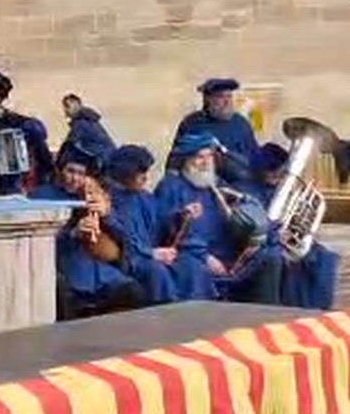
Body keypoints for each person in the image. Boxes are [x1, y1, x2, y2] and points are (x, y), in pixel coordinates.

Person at [155, 133, 287, 305]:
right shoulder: (171, 187)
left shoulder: (217, 185)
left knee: (272, 255)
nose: (205, 162)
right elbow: (169, 229)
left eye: (209, 156)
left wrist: (269, 234)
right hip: (196, 256)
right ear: (185, 160)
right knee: (193, 268)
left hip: (231, 254)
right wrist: (205, 257)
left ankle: (266, 314)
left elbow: (246, 217)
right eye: (199, 157)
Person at [29, 147, 142, 317]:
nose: (75, 178)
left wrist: (107, 215)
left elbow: (123, 238)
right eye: (70, 171)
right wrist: (73, 233)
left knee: (132, 290)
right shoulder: (42, 196)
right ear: (59, 171)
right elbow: (37, 239)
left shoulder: (94, 194)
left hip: (96, 266)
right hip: (63, 264)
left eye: (81, 173)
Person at [101, 144, 213, 305]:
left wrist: (182, 215)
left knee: (193, 267)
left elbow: (162, 221)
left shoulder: (144, 197)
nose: (146, 178)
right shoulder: (108, 201)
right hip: (131, 260)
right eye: (141, 174)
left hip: (156, 254)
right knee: (157, 273)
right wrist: (151, 253)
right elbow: (120, 238)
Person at [251, 143, 340, 310]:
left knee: (325, 256)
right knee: (281, 259)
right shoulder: (250, 190)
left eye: (281, 171)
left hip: (285, 239)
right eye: (274, 172)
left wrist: (302, 230)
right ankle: (291, 307)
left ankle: (319, 308)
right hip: (265, 242)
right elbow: (255, 222)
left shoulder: (283, 188)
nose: (279, 175)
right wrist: (276, 234)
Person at [171, 78, 258, 183]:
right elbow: (176, 160)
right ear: (208, 99)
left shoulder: (241, 123)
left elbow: (254, 157)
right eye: (221, 97)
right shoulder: (192, 123)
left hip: (239, 183)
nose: (227, 102)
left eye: (229, 96)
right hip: (201, 183)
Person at [57, 93, 116, 170]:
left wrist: (57, 164)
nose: (65, 110)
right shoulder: (90, 120)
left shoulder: (81, 123)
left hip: (102, 161)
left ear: (78, 105)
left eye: (68, 106)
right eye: (64, 106)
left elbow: (69, 145)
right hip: (107, 158)